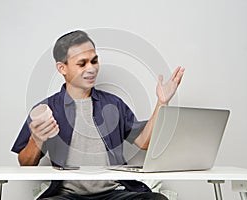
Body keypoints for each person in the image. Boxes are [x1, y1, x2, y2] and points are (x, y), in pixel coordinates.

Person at [11, 30, 185, 200]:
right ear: (62, 68)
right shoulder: (47, 108)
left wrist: (162, 103)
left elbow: (144, 141)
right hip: (67, 196)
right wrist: (36, 139)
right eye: (82, 63)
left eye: (94, 61)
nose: (91, 68)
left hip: (115, 193)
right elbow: (26, 163)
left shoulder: (114, 104)